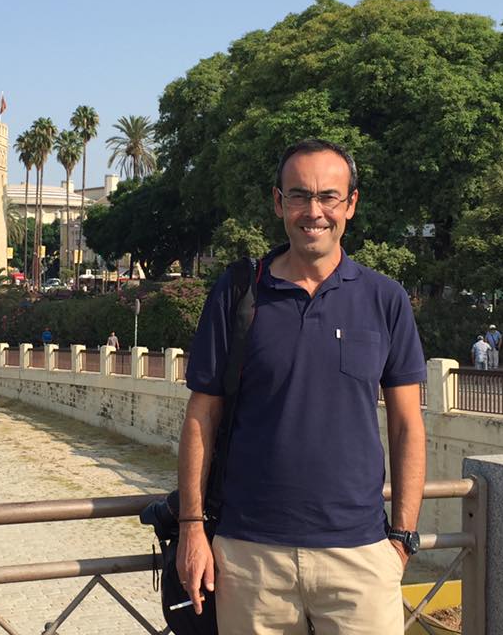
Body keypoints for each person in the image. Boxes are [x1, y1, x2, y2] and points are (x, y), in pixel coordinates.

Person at [177, 139, 426, 635]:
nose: (314, 212)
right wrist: (192, 529)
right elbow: (201, 416)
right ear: (278, 202)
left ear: (351, 204)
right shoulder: (238, 293)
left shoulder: (385, 299)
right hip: (250, 556)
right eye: (299, 196)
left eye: (329, 197)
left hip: (360, 555)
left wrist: (401, 538)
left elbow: (407, 426)